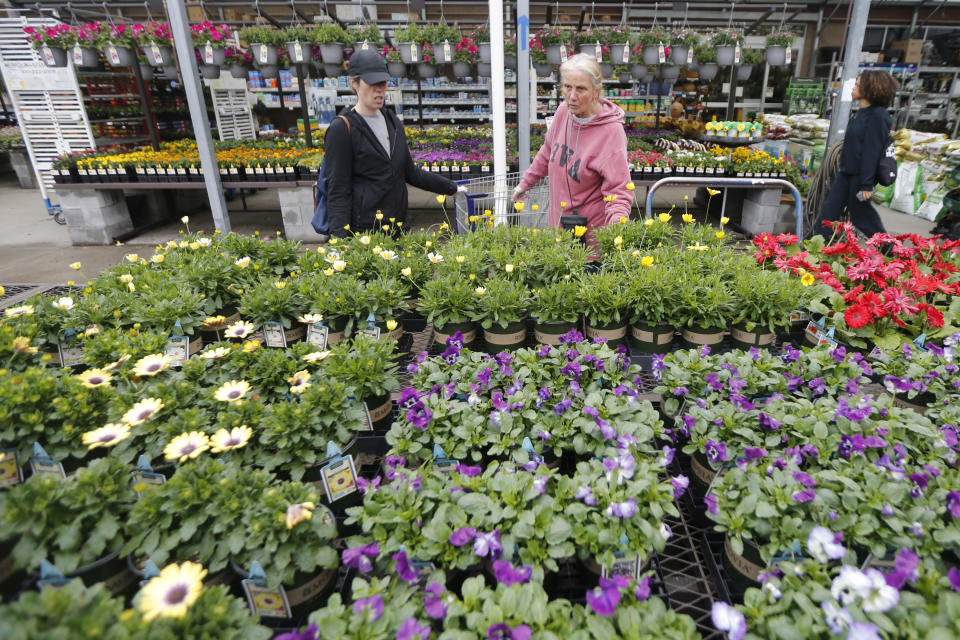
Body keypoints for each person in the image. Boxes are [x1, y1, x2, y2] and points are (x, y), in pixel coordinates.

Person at [324, 49, 459, 237]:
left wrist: (452, 187)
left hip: (398, 227)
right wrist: (340, 244)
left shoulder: (392, 121)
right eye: (372, 83)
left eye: (383, 82)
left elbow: (409, 172)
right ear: (353, 83)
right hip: (365, 234)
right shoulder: (342, 129)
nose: (379, 89)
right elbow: (338, 190)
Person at [512, 53, 631, 232]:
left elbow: (619, 189)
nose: (572, 96)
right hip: (559, 227)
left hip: (590, 235)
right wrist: (526, 183)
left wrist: (616, 225)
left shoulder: (611, 132)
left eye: (581, 89)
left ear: (596, 92)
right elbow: (547, 150)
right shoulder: (563, 112)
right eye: (567, 87)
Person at [812, 70, 899, 239]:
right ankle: (813, 252)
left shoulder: (878, 116)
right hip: (846, 175)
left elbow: (871, 151)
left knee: (864, 218)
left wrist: (866, 184)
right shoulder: (859, 114)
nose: (854, 87)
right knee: (827, 216)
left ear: (870, 89)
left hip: (860, 178)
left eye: (858, 85)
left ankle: (892, 253)